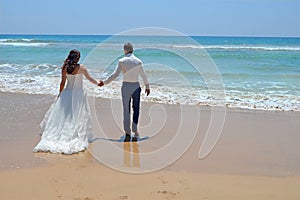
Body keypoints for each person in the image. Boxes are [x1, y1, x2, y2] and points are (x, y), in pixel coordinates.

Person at [33, 49, 99, 154]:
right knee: (77, 115)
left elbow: (62, 83)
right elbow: (90, 79)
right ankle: (75, 134)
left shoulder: (65, 67)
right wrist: (98, 83)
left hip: (67, 93)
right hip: (78, 94)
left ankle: (60, 133)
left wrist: (60, 94)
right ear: (77, 58)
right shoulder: (81, 68)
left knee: (65, 116)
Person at [98, 43, 150, 142]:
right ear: (132, 50)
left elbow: (115, 75)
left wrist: (104, 82)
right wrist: (147, 86)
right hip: (136, 86)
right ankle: (135, 130)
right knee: (136, 109)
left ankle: (127, 133)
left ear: (124, 50)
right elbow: (143, 75)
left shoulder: (121, 61)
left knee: (126, 110)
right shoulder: (138, 61)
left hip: (126, 86)